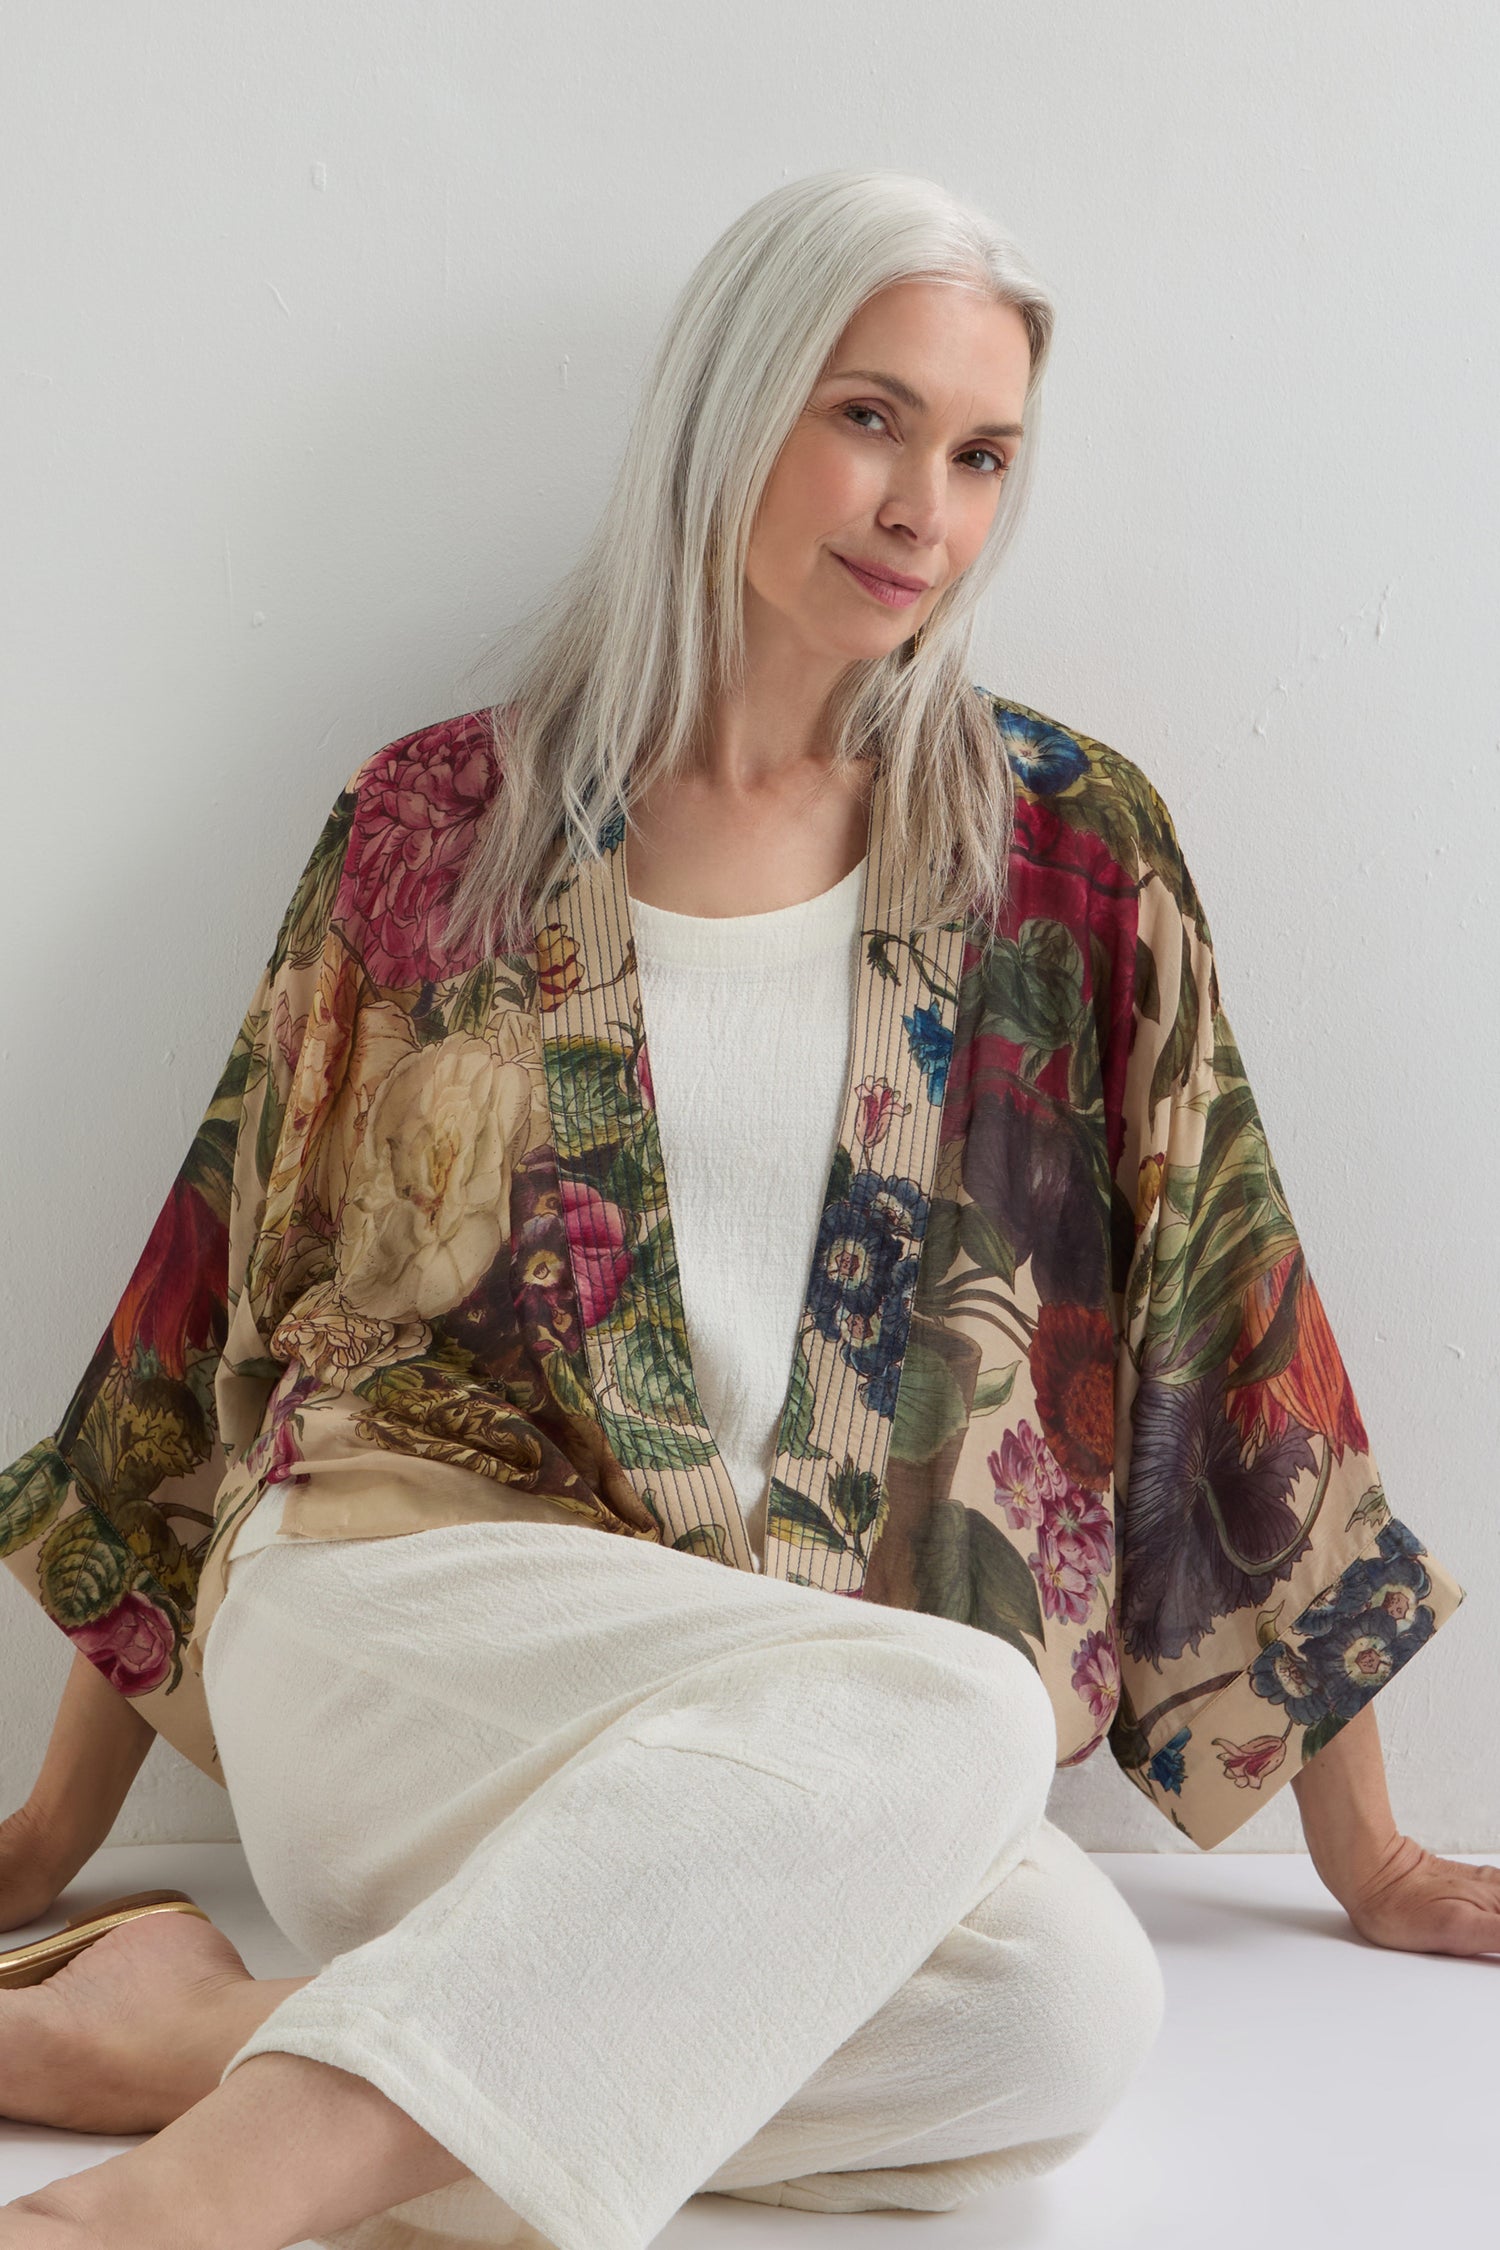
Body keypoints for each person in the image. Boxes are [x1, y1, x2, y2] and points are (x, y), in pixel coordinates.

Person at [0, 169, 1481, 2250]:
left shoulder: (1069, 853)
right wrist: (58, 1823)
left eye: (981, 457)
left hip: (794, 1748)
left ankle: (187, 2044)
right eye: (868, 418)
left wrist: (1376, 1858)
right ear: (729, 408)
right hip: (406, 1634)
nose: (925, 512)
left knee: (1065, 2011)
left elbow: (1227, 1335)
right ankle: (205, 2191)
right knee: (966, 1705)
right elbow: (217, 1298)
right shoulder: (447, 826)